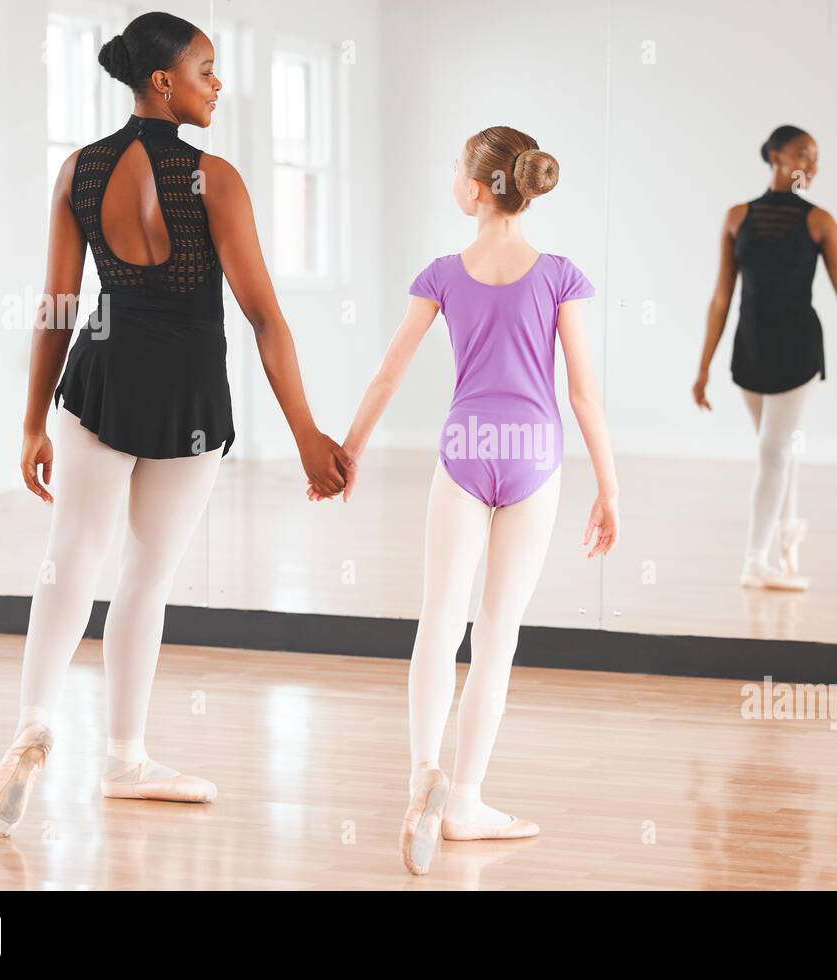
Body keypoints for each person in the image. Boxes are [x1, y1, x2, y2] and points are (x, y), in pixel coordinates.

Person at [0, 12, 350, 838]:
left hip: (100, 379)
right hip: (186, 393)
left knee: (68, 559)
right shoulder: (213, 179)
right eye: (207, 71)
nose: (218, 86)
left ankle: (33, 723)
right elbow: (264, 318)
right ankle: (124, 759)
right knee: (145, 576)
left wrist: (32, 421)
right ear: (163, 81)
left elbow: (57, 307)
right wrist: (307, 436)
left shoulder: (79, 169)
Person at [317, 126, 619, 874]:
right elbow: (582, 393)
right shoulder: (560, 275)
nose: (452, 177)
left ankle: (426, 773)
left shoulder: (441, 274)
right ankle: (467, 802)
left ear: (479, 189)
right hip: (532, 457)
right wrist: (610, 489)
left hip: (462, 453)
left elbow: (389, 373)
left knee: (438, 621)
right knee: (497, 634)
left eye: (457, 168)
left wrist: (348, 451)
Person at [693, 124, 837, 590]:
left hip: (798, 349)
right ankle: (786, 535)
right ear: (776, 157)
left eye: (817, 157)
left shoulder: (821, 221)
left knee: (772, 451)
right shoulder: (736, 217)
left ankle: (755, 561)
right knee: (775, 450)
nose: (812, 164)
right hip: (750, 350)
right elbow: (721, 299)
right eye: (804, 153)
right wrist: (703, 366)